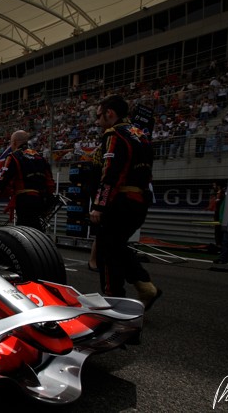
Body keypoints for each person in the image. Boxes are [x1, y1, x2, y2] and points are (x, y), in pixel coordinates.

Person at [88, 95, 162, 310]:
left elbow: (110, 173)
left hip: (120, 201)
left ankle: (113, 299)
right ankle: (144, 287)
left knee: (107, 250)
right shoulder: (142, 135)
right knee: (116, 246)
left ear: (110, 113)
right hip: (140, 201)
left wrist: (99, 205)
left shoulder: (115, 135)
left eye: (99, 115)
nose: (97, 121)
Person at [0, 130, 55, 231]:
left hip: (24, 200)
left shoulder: (13, 157)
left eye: (11, 143)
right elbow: (50, 182)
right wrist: (49, 203)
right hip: (41, 201)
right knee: (37, 229)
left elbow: (3, 179)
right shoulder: (40, 157)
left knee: (24, 231)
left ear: (14, 142)